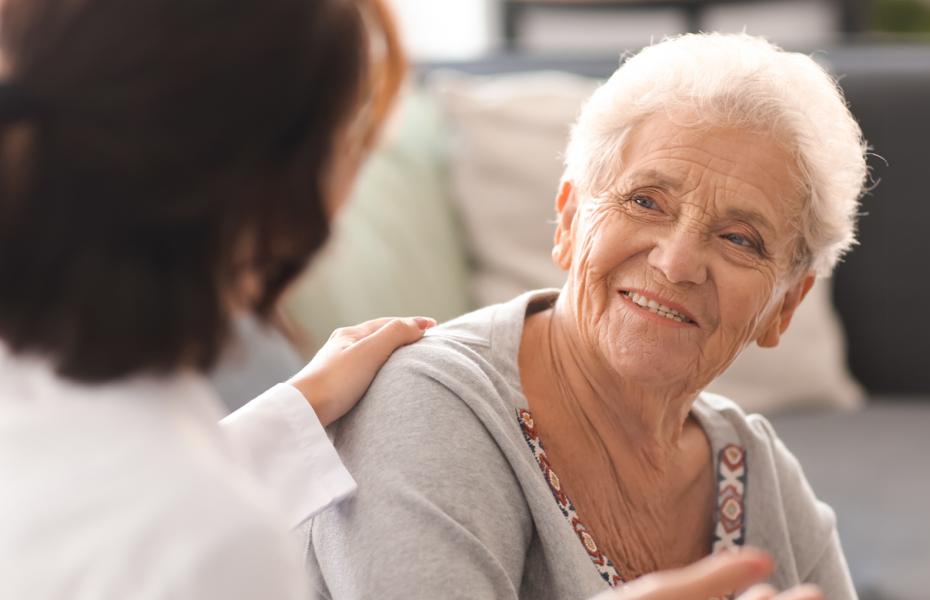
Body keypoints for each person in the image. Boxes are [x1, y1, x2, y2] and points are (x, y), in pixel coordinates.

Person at [0, 1, 800, 598]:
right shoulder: (210, 542)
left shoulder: (74, 421)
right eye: (355, 141)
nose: (679, 258)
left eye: (740, 239)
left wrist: (291, 416)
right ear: (286, 194)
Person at [305, 33, 868, 600]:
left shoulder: (758, 472)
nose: (676, 263)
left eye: (739, 239)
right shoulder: (429, 403)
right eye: (646, 201)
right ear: (570, 222)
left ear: (786, 306)